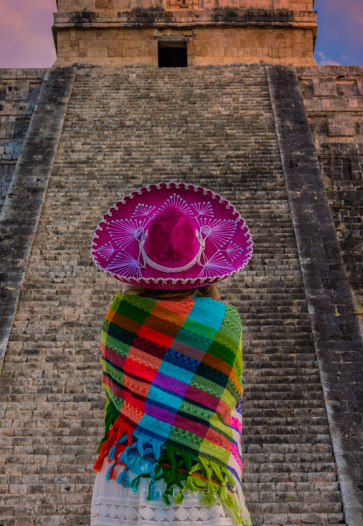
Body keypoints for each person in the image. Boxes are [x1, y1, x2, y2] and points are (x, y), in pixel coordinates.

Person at [89, 182, 254, 526]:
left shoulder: (120, 316)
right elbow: (227, 400)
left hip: (129, 469)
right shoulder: (224, 325)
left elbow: (114, 390)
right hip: (197, 476)